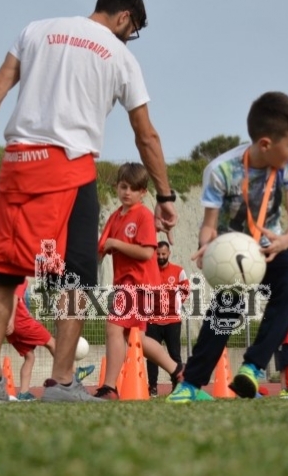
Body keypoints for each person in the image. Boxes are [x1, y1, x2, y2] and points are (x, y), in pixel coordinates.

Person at [0, 0, 177, 403]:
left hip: (17, 161)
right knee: (76, 278)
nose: (131, 38)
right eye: (135, 29)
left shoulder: (36, 30)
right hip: (70, 168)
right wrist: (164, 195)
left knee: (5, 271)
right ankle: (62, 381)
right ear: (125, 17)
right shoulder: (121, 56)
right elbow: (146, 135)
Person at [168, 91, 288, 403]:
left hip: (271, 248)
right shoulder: (221, 171)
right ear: (265, 144)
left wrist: (283, 242)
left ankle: (252, 367)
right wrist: (205, 246)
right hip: (232, 254)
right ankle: (189, 386)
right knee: (224, 313)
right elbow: (209, 224)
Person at [95, 163, 184, 399]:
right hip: (126, 284)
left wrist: (116, 244)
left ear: (143, 192)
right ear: (116, 186)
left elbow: (147, 253)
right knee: (137, 338)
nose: (127, 192)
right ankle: (178, 371)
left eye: (134, 189)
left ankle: (110, 387)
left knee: (114, 327)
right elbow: (101, 247)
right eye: (123, 186)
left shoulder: (143, 215)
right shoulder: (115, 217)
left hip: (139, 283)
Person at [7, 280, 95, 401]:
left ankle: (23, 393)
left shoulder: (7, 279)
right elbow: (14, 297)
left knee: (29, 357)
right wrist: (11, 320)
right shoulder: (20, 278)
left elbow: (14, 299)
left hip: (12, 325)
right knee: (53, 343)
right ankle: (75, 372)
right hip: (21, 322)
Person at [146, 240, 190, 397]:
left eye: (163, 254)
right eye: (158, 254)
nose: (160, 257)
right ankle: (152, 387)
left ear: (169, 253)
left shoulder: (178, 271)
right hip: (152, 321)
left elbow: (186, 290)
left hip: (173, 321)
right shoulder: (149, 270)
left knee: (174, 355)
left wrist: (175, 305)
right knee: (152, 356)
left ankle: (177, 385)